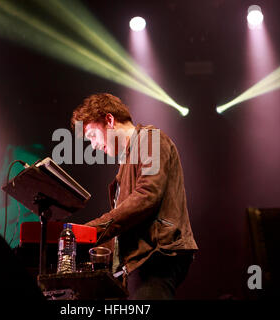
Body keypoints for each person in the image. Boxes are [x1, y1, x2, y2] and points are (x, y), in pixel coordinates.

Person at [71, 93, 198, 300]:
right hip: (142, 261)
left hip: (157, 256)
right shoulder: (127, 162)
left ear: (109, 120)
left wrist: (87, 232)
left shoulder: (150, 139)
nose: (93, 145)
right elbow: (124, 227)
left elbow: (147, 196)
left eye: (93, 135)